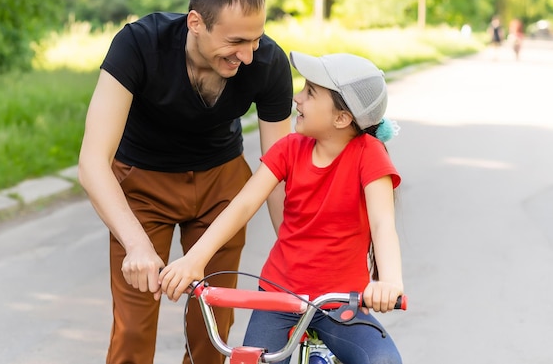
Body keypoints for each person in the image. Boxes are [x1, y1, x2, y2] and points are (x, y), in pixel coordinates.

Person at [77, 0, 293, 364]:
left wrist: (292, 250)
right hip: (142, 189)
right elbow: (92, 162)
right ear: (196, 22)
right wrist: (136, 244)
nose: (247, 55)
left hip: (221, 189)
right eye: (236, 41)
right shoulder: (139, 45)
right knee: (133, 331)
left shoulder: (267, 63)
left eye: (256, 39)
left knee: (212, 334)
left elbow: (278, 171)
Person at [159, 51, 405, 364]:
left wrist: (390, 282)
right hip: (279, 296)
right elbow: (244, 204)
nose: (298, 99)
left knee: (384, 361)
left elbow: (383, 224)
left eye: (311, 93)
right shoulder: (289, 148)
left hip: (341, 303)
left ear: (341, 118)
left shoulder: (369, 155)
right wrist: (195, 259)